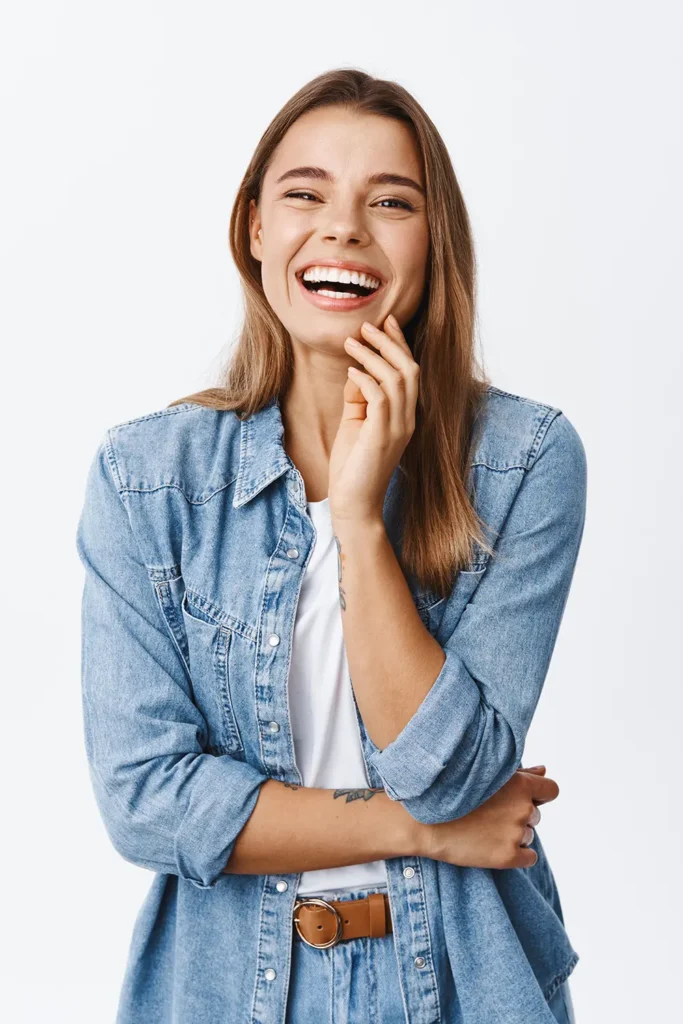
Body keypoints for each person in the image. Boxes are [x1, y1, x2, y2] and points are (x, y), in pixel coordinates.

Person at [76, 68, 585, 1024]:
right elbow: (146, 801)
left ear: (434, 246)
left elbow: (453, 772)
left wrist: (355, 518)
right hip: (227, 990)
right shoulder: (147, 479)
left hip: (465, 985)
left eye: (390, 202)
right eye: (304, 193)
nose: (343, 227)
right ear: (256, 230)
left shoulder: (524, 461)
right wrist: (422, 832)